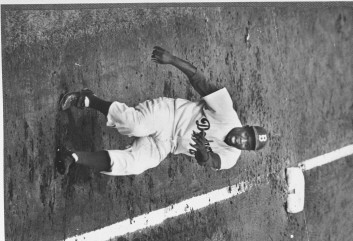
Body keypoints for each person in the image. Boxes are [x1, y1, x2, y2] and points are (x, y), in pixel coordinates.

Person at [56, 46, 268, 176]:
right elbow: (201, 82)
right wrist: (173, 60)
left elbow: (212, 162)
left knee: (135, 164)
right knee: (135, 125)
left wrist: (204, 156)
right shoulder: (227, 115)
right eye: (247, 136)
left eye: (248, 144)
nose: (243, 141)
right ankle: (88, 99)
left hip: (168, 144)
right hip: (169, 114)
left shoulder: (231, 157)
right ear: (245, 127)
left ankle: (72, 157)